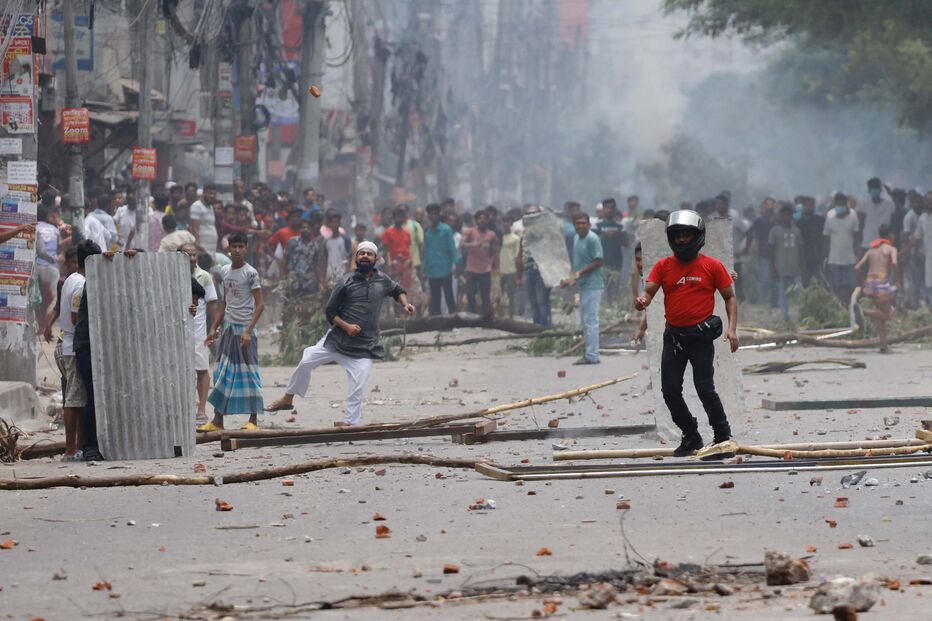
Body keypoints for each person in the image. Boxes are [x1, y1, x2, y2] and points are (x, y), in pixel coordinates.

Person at [264, 242, 415, 425]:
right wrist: (347, 327)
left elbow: (398, 291)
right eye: (361, 253)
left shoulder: (383, 280)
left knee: (358, 384)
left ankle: (350, 423)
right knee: (306, 360)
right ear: (356, 258)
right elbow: (330, 312)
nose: (365, 256)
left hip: (365, 345)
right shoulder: (346, 281)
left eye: (369, 254)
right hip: (337, 341)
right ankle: (287, 399)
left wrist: (406, 304)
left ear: (375, 259)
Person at [635, 210, 739, 458]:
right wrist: (643, 300)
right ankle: (691, 435)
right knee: (670, 391)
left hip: (701, 339)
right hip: (674, 339)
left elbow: (730, 297)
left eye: (686, 235)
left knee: (705, 389)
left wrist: (732, 328)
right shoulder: (663, 266)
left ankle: (722, 437)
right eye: (677, 236)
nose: (681, 240)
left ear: (698, 236)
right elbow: (649, 292)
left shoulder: (712, 265)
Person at [199, 233, 265, 431]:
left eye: (240, 246)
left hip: (245, 330)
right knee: (222, 372)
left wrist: (248, 331)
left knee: (249, 373)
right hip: (229, 329)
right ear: (228, 248)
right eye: (234, 246)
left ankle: (253, 420)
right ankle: (218, 420)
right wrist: (214, 327)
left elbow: (260, 305)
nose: (237, 250)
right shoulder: (225, 271)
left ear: (246, 248)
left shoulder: (251, 273)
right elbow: (225, 303)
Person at [72, 240, 108, 462]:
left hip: (91, 345)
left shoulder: (92, 281)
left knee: (96, 396)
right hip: (86, 346)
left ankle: (95, 444)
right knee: (94, 396)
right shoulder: (88, 284)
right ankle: (90, 447)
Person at [55, 243, 89, 460]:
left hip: (66, 344)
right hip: (72, 347)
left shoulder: (71, 279)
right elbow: (77, 318)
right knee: (74, 400)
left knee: (76, 399)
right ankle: (70, 450)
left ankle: (77, 447)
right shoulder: (80, 284)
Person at [180, 244, 219, 423]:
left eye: (194, 255)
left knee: (202, 370)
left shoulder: (204, 276)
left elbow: (212, 305)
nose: (192, 258)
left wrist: (214, 328)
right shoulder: (171, 275)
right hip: (177, 332)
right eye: (188, 255)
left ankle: (201, 409)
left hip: (198, 332)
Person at [561, 212, 604, 365]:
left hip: (593, 285)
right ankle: (590, 352)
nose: (580, 226)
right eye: (578, 223)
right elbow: (578, 264)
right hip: (583, 285)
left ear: (589, 224)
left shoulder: (593, 239)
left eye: (583, 223)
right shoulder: (576, 238)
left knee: (591, 321)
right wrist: (570, 279)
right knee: (586, 321)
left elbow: (598, 261)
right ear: (574, 225)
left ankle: (592, 355)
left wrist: (579, 274)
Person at [855, 224, 899, 352]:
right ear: (890, 235)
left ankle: (883, 345)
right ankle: (863, 312)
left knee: (880, 316)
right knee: (888, 314)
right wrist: (897, 281)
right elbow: (895, 263)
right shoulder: (891, 249)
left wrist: (864, 283)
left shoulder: (871, 250)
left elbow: (857, 267)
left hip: (870, 285)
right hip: (881, 285)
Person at [822, 193, 860, 303]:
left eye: (842, 204)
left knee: (852, 286)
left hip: (850, 259)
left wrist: (857, 255)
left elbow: (856, 236)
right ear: (835, 204)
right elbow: (826, 237)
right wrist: (825, 257)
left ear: (846, 204)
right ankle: (837, 307)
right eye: (838, 204)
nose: (840, 206)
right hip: (834, 259)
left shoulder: (853, 215)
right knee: (835, 287)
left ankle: (852, 306)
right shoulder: (830, 216)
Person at [518, 204, 551, 326]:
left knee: (542, 300)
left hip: (541, 270)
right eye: (528, 214)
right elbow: (520, 253)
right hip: (528, 269)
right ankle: (536, 327)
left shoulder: (545, 232)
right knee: (533, 301)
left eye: (534, 214)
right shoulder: (524, 234)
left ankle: (545, 328)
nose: (531, 217)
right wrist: (519, 275)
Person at [769, 203, 803, 320]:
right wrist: (773, 266)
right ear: (780, 216)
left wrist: (801, 263)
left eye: (788, 215)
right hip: (781, 267)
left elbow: (801, 248)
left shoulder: (797, 231)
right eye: (784, 215)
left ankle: (800, 312)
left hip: (795, 267)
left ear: (792, 216)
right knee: (783, 292)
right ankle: (785, 314)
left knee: (799, 292)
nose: (786, 217)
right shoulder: (775, 231)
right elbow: (771, 250)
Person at [423, 202, 459, 315]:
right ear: (428, 216)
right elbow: (427, 251)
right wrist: (425, 268)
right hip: (432, 270)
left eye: (435, 213)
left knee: (449, 295)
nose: (433, 216)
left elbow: (452, 248)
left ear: (439, 214)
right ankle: (438, 320)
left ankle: (453, 318)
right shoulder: (427, 233)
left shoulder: (446, 230)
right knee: (435, 298)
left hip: (445, 268)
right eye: (431, 214)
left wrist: (457, 264)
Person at [461, 210, 498, 316]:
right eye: (480, 218)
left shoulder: (492, 234)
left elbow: (495, 251)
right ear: (476, 220)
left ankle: (486, 318)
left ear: (488, 220)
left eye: (485, 218)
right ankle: (472, 317)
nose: (482, 221)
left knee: (485, 296)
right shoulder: (470, 232)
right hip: (471, 269)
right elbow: (462, 245)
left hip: (485, 270)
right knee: (470, 295)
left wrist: (493, 264)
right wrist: (474, 245)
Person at [283, 215, 327, 299]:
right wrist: (284, 277)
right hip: (293, 278)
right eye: (303, 227)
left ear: (311, 230)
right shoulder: (292, 242)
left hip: (309, 281)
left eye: (308, 228)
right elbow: (285, 260)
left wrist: (321, 280)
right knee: (290, 302)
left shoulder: (315, 246)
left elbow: (316, 265)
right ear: (300, 229)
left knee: (308, 303)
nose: (305, 229)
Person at [35, 204, 62, 335]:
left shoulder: (34, 228)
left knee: (37, 298)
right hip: (52, 267)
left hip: (37, 266)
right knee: (51, 299)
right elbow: (59, 247)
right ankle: (44, 327)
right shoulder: (55, 230)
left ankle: (38, 325)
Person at [595, 198, 626, 305]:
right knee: (601, 290)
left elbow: (627, 243)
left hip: (616, 263)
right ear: (603, 209)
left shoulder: (620, 226)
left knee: (613, 289)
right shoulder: (597, 225)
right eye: (607, 208)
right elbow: (592, 242)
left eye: (611, 208)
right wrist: (604, 235)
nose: (609, 210)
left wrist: (617, 234)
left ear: (614, 209)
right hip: (600, 263)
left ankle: (612, 308)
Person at [746, 198, 776, 306]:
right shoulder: (759, 220)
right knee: (764, 279)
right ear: (764, 206)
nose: (769, 206)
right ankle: (762, 302)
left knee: (775, 279)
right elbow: (749, 232)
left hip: (777, 255)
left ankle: (774, 302)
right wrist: (748, 247)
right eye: (767, 204)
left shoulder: (777, 219)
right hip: (763, 253)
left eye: (771, 204)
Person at [380, 206, 414, 289]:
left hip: (406, 264)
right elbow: (385, 251)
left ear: (404, 218)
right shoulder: (388, 233)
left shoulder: (407, 233)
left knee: (411, 288)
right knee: (394, 289)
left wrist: (410, 262)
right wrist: (388, 267)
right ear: (394, 218)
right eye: (397, 216)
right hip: (394, 264)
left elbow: (409, 249)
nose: (399, 219)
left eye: (402, 217)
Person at [858, 178, 895, 252]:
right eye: (872, 188)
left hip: (883, 244)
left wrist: (891, 194)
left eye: (876, 188)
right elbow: (861, 224)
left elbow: (899, 215)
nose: (874, 190)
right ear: (869, 190)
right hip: (867, 243)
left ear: (880, 190)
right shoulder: (864, 205)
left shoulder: (889, 205)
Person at [797, 197, 825, 286]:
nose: (809, 207)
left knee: (821, 284)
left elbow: (824, 239)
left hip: (818, 257)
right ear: (803, 206)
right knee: (805, 284)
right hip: (804, 259)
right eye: (807, 205)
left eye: (811, 205)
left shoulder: (820, 221)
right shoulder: (799, 223)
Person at [499, 213, 521, 317]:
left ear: (511, 223)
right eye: (503, 222)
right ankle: (500, 315)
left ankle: (511, 316)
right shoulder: (499, 237)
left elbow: (517, 256)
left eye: (507, 222)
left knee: (511, 295)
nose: (505, 224)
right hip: (499, 270)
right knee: (499, 295)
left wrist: (517, 273)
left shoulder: (515, 238)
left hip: (511, 269)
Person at [323, 209, 352, 284]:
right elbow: (326, 259)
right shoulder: (326, 241)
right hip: (330, 274)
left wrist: (347, 273)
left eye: (336, 222)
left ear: (339, 223)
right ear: (329, 224)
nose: (334, 224)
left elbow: (349, 257)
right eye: (332, 222)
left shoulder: (345, 239)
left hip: (342, 274)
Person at [189, 183, 219, 253]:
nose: (212, 196)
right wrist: (198, 245)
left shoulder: (210, 207)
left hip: (211, 248)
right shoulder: (197, 206)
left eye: (214, 194)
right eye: (210, 193)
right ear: (204, 193)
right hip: (202, 248)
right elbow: (194, 228)